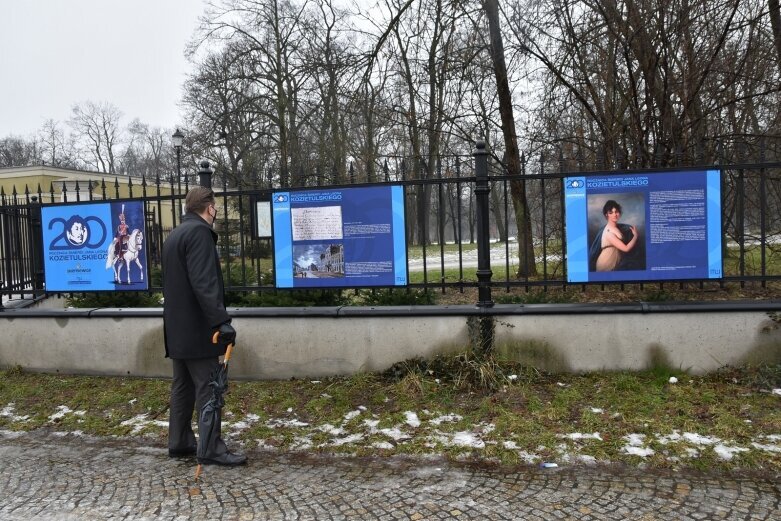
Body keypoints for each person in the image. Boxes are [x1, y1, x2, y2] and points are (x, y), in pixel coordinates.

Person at [162, 186, 247, 466]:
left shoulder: (176, 234)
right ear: (209, 208)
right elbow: (203, 283)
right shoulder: (199, 234)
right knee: (210, 388)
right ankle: (210, 448)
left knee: (183, 387)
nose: (216, 212)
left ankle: (180, 441)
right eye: (216, 207)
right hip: (199, 329)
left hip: (177, 328)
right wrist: (221, 321)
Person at [590, 200, 639, 272]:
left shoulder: (617, 228)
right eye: (611, 213)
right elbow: (626, 249)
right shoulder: (608, 232)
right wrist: (636, 236)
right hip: (606, 264)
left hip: (616, 264)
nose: (615, 214)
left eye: (616, 212)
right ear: (607, 215)